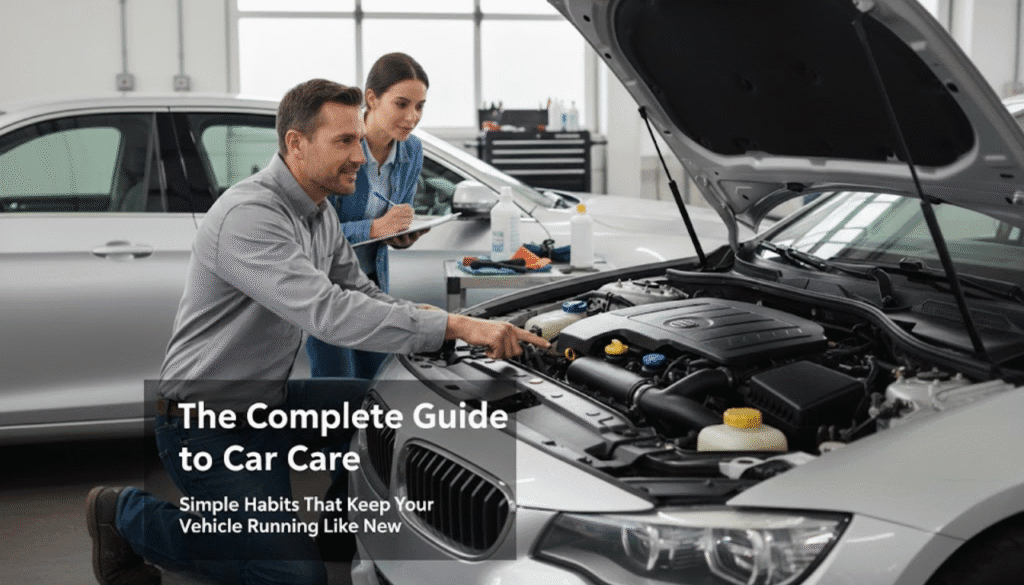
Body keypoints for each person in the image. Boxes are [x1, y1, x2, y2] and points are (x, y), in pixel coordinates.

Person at [84, 78, 548, 585]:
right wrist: (452, 323)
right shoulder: (251, 216)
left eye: (358, 140)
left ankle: (334, 529)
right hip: (207, 421)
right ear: (296, 145)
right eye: (344, 142)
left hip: (270, 401)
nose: (361, 158)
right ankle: (125, 515)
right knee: (294, 577)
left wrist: (448, 330)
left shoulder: (319, 211)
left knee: (387, 407)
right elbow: (329, 312)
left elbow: (361, 293)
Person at [306, 52, 430, 380]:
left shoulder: (412, 149)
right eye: (402, 104)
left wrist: (399, 234)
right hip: (329, 290)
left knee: (376, 384)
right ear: (372, 99)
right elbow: (314, 234)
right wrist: (374, 228)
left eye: (420, 106)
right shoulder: (340, 147)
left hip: (372, 286)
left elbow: (393, 219)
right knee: (337, 387)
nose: (412, 116)